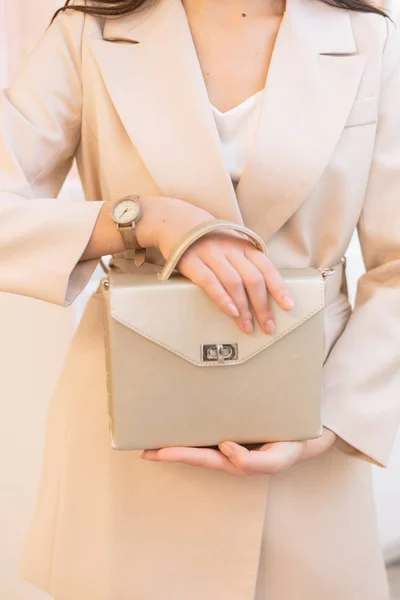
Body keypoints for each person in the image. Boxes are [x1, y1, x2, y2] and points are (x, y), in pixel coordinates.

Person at [0, 0, 399, 597]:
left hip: (308, 433)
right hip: (130, 436)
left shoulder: (370, 38)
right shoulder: (91, 30)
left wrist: (329, 425)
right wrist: (144, 220)